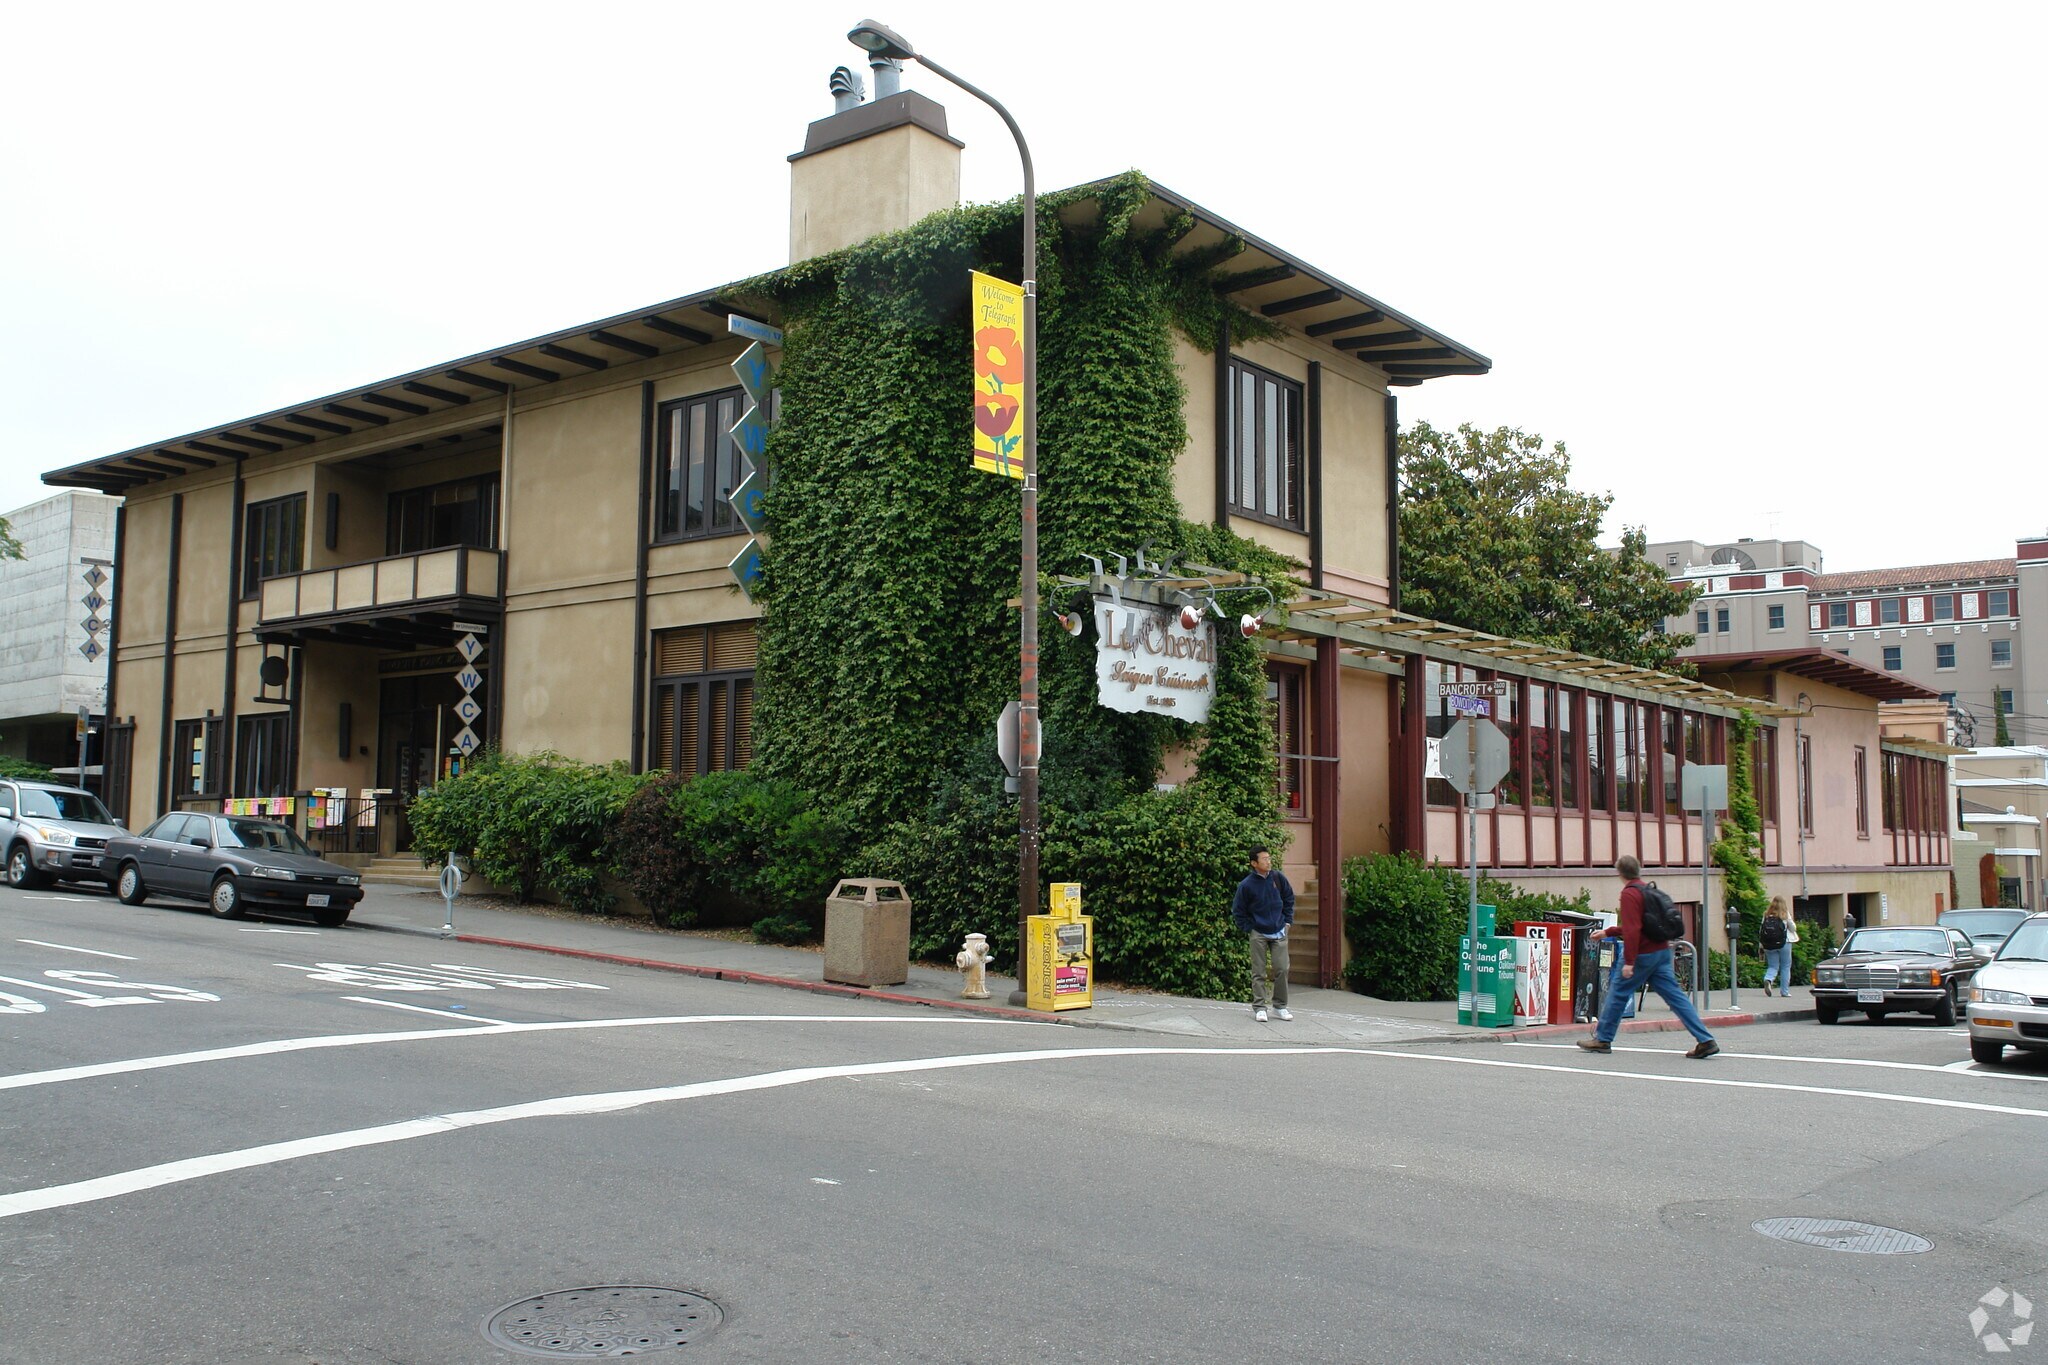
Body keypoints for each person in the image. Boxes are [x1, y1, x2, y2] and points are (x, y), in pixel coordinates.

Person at [1579, 854, 1719, 1058]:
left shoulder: (1629, 894)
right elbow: (1641, 925)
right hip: (1661, 952)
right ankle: (1705, 1040)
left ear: (1620, 872)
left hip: (1642, 954)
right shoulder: (1646, 890)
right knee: (1676, 998)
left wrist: (1629, 961)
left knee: (1618, 993)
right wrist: (1608, 932)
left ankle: (1603, 1038)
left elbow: (1633, 929)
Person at [1232, 846, 1295, 1023]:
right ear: (1254, 863)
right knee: (1258, 971)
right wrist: (1249, 928)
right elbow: (1238, 910)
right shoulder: (1246, 885)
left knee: (1282, 968)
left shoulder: (1278, 878)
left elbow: (1289, 898)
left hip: (1279, 930)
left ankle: (1280, 1006)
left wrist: (1288, 921)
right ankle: (1260, 1007)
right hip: (1258, 932)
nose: (1268, 861)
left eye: (1269, 858)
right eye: (1264, 859)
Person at [1760, 898, 1794, 997]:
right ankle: (1784, 991)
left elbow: (1761, 930)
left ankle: (1768, 979)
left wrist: (1761, 945)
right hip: (1784, 943)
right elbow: (1793, 928)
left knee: (1773, 966)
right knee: (1785, 966)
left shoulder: (1766, 914)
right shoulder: (1784, 914)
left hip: (1768, 944)